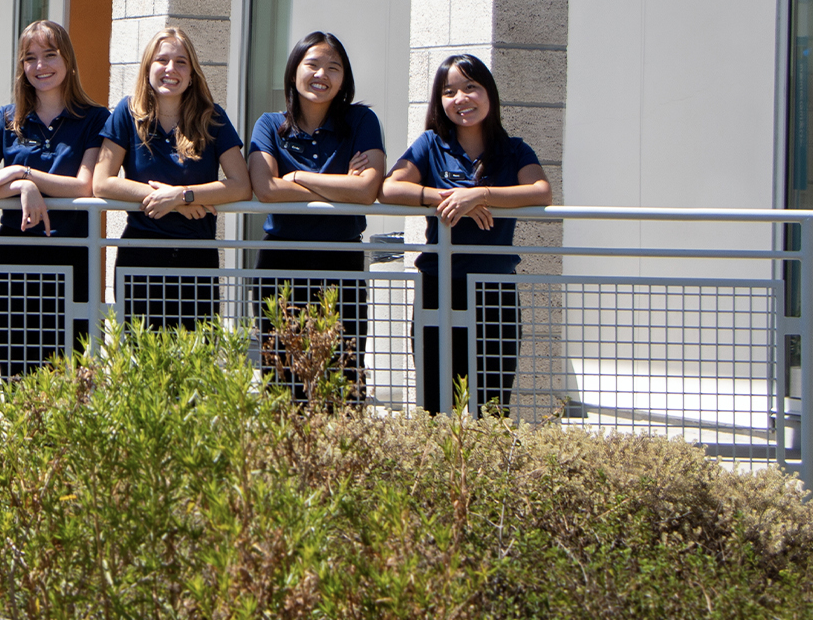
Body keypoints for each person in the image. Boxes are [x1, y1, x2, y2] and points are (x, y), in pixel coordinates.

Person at [380, 54, 552, 415]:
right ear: (440, 102)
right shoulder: (430, 144)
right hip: (439, 284)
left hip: (495, 286)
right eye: (449, 91)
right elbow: (389, 188)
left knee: (490, 402)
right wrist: (443, 198)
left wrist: (481, 195)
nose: (461, 99)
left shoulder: (514, 149)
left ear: (489, 93)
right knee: (436, 398)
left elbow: (540, 191)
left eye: (470, 87)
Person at [0, 20, 107, 380]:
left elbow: (84, 186)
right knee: (17, 371)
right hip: (13, 255)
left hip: (71, 255)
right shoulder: (6, 118)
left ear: (68, 61)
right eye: (30, 58)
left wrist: (22, 173)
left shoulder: (95, 118)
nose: (40, 66)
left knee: (70, 374)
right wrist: (22, 187)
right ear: (22, 67)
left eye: (49, 55)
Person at [246, 31, 385, 400]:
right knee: (281, 375)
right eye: (312, 64)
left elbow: (368, 190)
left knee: (343, 373)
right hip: (280, 262)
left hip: (341, 260)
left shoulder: (361, 121)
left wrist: (298, 177)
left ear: (344, 79)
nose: (322, 74)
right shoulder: (269, 124)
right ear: (294, 71)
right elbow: (266, 189)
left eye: (333, 67)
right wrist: (340, 184)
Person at [94, 27, 250, 331]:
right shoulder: (127, 114)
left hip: (196, 256)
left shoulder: (212, 117)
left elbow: (241, 185)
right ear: (148, 68)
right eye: (162, 60)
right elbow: (101, 181)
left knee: (196, 363)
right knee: (141, 362)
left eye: (181, 62)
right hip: (140, 255)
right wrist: (171, 201)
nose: (170, 69)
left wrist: (182, 196)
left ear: (192, 73)